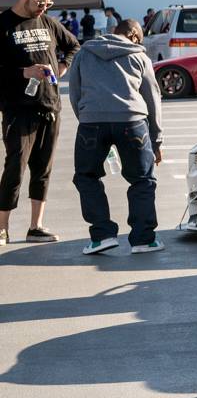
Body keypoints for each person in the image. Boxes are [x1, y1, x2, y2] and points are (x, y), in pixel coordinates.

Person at [67, 18, 164, 254]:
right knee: (142, 180)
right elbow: (153, 98)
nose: (139, 42)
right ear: (132, 35)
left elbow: (74, 91)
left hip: (91, 122)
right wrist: (156, 138)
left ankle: (102, 235)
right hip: (132, 122)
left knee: (86, 176)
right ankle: (143, 240)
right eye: (139, 39)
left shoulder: (84, 53)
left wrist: (87, 118)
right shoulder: (139, 56)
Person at [1, 0, 79, 244]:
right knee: (14, 167)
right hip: (17, 108)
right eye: (40, 2)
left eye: (48, 3)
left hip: (49, 104)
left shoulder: (48, 23)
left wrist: (62, 67)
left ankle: (36, 226)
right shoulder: (4, 25)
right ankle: (2, 228)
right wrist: (24, 72)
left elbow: (73, 45)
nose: (44, 8)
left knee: (43, 168)